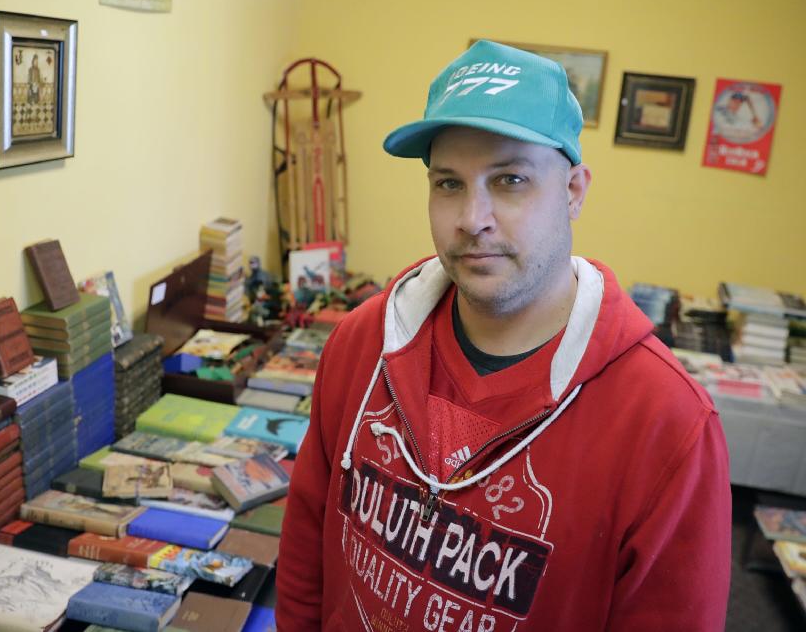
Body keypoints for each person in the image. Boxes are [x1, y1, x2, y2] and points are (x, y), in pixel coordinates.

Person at [276, 40, 731, 631]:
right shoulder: (364, 342)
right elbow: (308, 539)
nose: (472, 218)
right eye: (448, 183)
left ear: (573, 192)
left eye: (510, 179)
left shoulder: (667, 423)